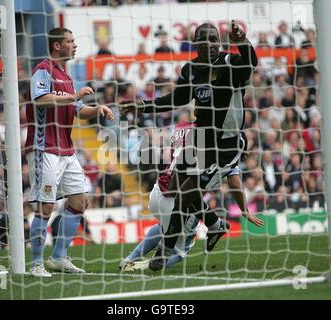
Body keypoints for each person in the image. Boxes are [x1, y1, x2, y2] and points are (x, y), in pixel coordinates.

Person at [121, 21, 259, 271]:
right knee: (176, 185)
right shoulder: (191, 69)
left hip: (226, 145)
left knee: (186, 192)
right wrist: (143, 106)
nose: (211, 46)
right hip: (200, 139)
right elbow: (175, 99)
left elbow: (251, 63)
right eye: (205, 42)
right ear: (196, 44)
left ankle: (166, 247)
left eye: (215, 41)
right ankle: (215, 224)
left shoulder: (230, 63)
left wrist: (242, 42)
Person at [25, 27, 114, 277]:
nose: (74, 45)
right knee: (45, 207)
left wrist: (97, 109)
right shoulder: (43, 69)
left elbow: (77, 109)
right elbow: (39, 99)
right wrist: (73, 96)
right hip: (45, 148)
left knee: (80, 200)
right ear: (57, 46)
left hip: (66, 149)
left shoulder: (67, 74)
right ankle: (36, 264)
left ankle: (59, 257)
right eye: (70, 41)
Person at [119, 121, 264, 272]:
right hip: (178, 200)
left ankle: (130, 259)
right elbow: (234, 181)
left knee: (164, 227)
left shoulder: (181, 127)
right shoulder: (217, 139)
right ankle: (139, 266)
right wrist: (244, 210)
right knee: (181, 251)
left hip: (158, 191)